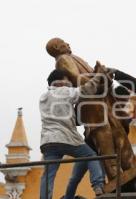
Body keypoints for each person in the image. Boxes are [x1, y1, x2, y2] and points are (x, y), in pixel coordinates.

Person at [45, 38, 135, 179]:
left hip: (102, 101)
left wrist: (101, 76)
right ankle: (116, 178)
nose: (68, 43)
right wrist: (99, 78)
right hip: (92, 107)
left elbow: (90, 78)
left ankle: (131, 172)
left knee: (119, 136)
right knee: (105, 142)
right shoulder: (63, 59)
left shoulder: (74, 57)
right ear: (56, 47)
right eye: (63, 42)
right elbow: (77, 79)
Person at [39, 68, 106, 199]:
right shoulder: (64, 91)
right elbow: (86, 89)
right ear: (59, 81)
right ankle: (98, 185)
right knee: (90, 155)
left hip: (48, 141)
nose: (68, 82)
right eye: (66, 79)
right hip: (66, 138)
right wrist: (98, 76)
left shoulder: (43, 97)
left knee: (48, 174)